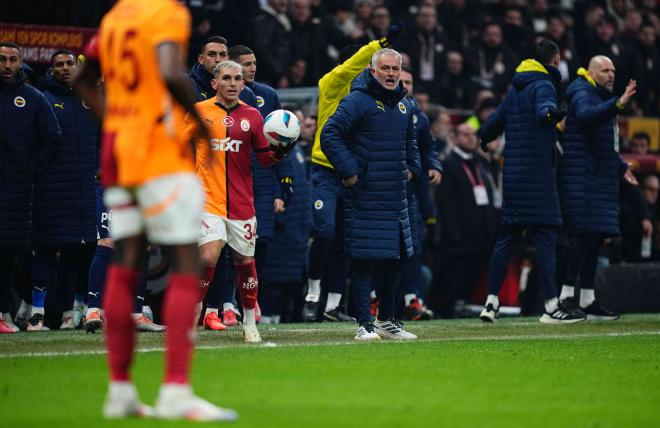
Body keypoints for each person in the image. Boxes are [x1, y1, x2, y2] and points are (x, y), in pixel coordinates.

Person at [73, 0, 236, 421]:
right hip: (159, 153)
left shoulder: (115, 17)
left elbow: (82, 76)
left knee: (125, 258)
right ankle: (176, 391)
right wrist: (198, 124)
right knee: (185, 260)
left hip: (120, 152)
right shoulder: (166, 13)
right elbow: (167, 70)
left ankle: (120, 390)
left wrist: (116, 120)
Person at [477, 39, 584, 324]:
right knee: (546, 240)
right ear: (556, 58)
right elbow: (544, 110)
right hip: (538, 179)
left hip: (513, 176)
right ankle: (551, 307)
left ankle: (490, 303)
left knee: (505, 240)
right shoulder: (544, 85)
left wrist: (485, 137)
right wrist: (553, 114)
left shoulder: (515, 87)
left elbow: (496, 121)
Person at [302, 23, 403, 323]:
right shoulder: (332, 86)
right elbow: (348, 68)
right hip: (325, 170)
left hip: (356, 175)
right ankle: (312, 295)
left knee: (350, 240)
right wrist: (378, 44)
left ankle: (334, 305)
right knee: (324, 231)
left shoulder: (367, 96)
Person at [322, 48, 421, 340]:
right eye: (385, 68)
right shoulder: (357, 100)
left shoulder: (404, 106)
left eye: (395, 69)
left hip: (396, 198)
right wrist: (349, 171)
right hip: (365, 194)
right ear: (373, 70)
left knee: (396, 260)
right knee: (365, 260)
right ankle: (364, 324)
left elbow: (411, 141)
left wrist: (413, 167)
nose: (390, 74)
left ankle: (387, 320)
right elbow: (329, 134)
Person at [191, 60, 293, 343]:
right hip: (207, 201)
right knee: (208, 256)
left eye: (238, 78)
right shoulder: (198, 112)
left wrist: (280, 153)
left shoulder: (254, 116)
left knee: (245, 261)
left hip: (241, 204)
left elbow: (263, 158)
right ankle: (194, 313)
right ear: (215, 83)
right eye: (227, 78)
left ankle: (249, 321)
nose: (234, 83)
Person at [558, 56, 639, 320]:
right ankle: (566, 297)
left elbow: (601, 144)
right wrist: (617, 104)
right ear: (591, 72)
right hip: (582, 178)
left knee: (595, 239)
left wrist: (621, 165)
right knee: (584, 238)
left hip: (597, 177)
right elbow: (584, 117)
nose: (611, 75)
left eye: (613, 70)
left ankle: (587, 299)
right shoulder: (582, 92)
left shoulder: (597, 94)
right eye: (605, 70)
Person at [0, 42, 61, 334]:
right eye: (2, 60)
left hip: (17, 191)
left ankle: (2, 313)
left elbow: (53, 138)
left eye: (12, 59)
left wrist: (31, 170)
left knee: (8, 254)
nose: (7, 65)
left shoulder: (33, 98)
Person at [435, 124, 497, 318]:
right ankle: (452, 306)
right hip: (459, 234)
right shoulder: (448, 163)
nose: (471, 138)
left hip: (481, 233)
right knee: (456, 272)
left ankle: (465, 302)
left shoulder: (480, 162)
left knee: (474, 270)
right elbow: (444, 202)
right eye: (466, 135)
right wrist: (453, 231)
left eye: (473, 135)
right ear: (455, 137)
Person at [397, 66, 442, 321]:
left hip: (409, 194)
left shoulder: (418, 115)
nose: (405, 86)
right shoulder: (376, 106)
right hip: (380, 191)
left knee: (411, 248)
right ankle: (375, 300)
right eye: (401, 81)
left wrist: (434, 166)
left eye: (409, 82)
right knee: (378, 249)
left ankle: (412, 300)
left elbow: (429, 148)